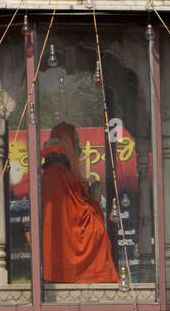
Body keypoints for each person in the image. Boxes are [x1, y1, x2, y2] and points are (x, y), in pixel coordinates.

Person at [41, 121, 117, 283]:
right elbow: (78, 222)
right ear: (67, 143)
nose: (80, 148)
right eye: (75, 142)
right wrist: (95, 202)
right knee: (98, 234)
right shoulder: (58, 172)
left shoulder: (56, 170)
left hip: (66, 250)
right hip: (70, 253)